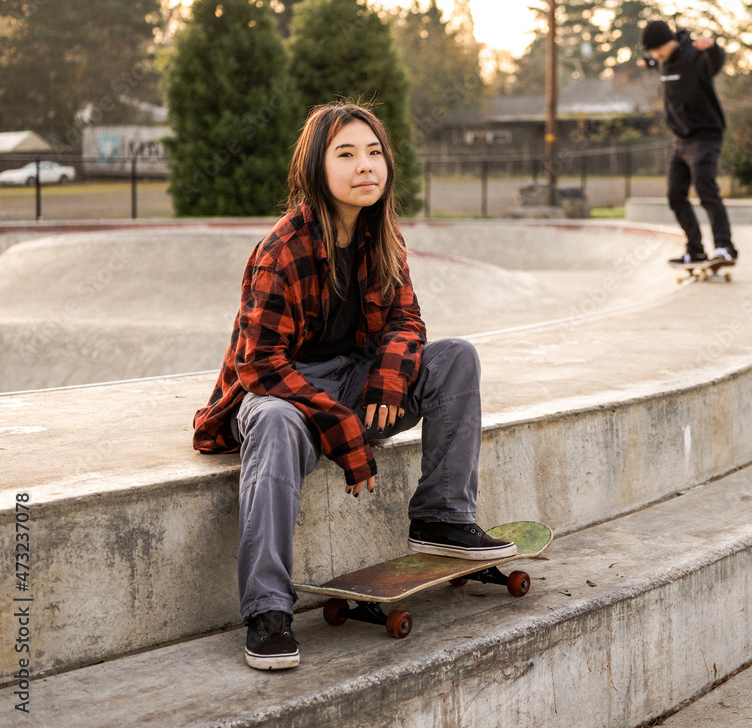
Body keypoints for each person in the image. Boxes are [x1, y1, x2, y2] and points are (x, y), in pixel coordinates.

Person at [192, 102, 515, 671]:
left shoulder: (382, 236)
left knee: (456, 359)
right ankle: (267, 609)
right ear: (316, 168)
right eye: (346, 154)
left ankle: (441, 517)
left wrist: (389, 383)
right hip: (280, 394)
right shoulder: (282, 249)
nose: (365, 166)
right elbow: (260, 365)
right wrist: (341, 424)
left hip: (354, 381)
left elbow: (407, 323)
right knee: (271, 419)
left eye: (374, 153)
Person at [639, 19, 738, 266]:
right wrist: (650, 62)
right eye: (652, 53)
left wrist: (713, 48)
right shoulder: (662, 62)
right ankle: (695, 250)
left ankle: (725, 248)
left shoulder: (694, 57)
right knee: (675, 195)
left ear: (669, 42)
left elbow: (714, 64)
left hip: (706, 135)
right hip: (681, 140)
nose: (655, 56)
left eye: (656, 50)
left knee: (706, 190)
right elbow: (658, 62)